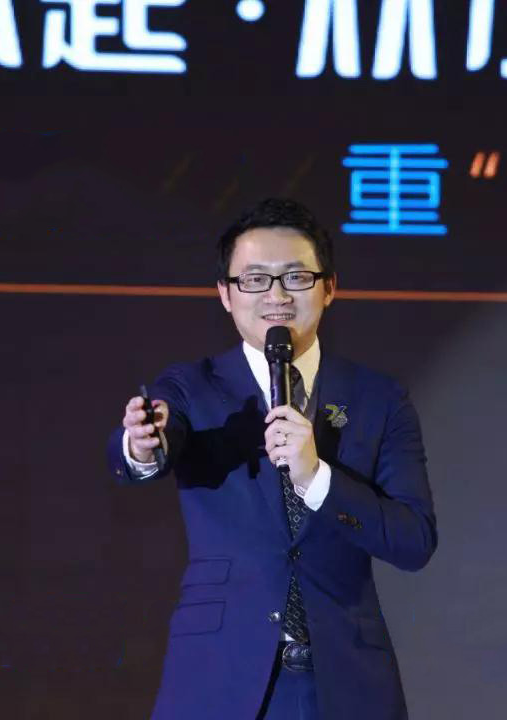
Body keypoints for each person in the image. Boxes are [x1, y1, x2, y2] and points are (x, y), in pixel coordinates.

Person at [107, 198, 437, 719]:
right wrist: (143, 446)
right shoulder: (193, 387)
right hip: (219, 677)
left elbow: (413, 541)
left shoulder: (379, 399)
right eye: (255, 279)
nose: (277, 296)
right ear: (225, 293)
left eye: (296, 277)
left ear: (330, 287)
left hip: (345, 680)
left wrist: (318, 478)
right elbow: (157, 439)